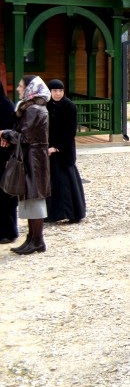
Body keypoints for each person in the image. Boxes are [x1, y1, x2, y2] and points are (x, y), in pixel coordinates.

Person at [1, 76, 51, 255]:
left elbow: (25, 137)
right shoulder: (31, 108)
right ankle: (32, 238)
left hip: (34, 159)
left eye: (21, 86)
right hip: (32, 157)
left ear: (30, 88)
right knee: (30, 199)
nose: (18, 89)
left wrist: (5, 134)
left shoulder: (34, 110)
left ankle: (37, 240)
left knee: (34, 200)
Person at [44, 80, 86, 223]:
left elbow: (70, 131)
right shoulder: (47, 106)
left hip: (65, 150)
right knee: (52, 183)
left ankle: (73, 213)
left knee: (67, 183)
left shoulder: (69, 106)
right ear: (50, 91)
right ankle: (52, 214)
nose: (58, 93)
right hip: (49, 149)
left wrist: (57, 147)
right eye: (55, 91)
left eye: (60, 91)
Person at [0, 79, 17, 244]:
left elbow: (12, 132)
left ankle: (8, 232)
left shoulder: (6, 106)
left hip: (4, 157)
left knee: (5, 195)